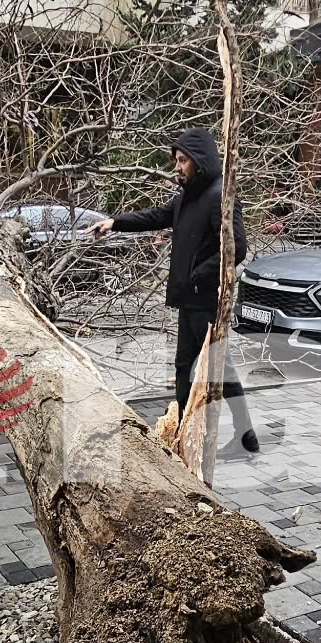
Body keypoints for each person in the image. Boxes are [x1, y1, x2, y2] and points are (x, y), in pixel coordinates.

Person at [87, 128, 260, 459]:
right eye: (176, 160)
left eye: (183, 160)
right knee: (190, 367)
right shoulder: (190, 195)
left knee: (212, 368)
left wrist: (199, 274)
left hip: (206, 300)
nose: (178, 167)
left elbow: (237, 248)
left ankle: (238, 435)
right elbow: (156, 217)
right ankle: (204, 430)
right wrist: (114, 222)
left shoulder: (218, 196)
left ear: (199, 161)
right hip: (189, 299)